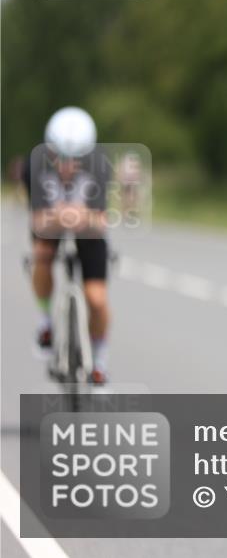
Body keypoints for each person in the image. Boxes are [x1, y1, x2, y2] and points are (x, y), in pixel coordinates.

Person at [24, 106, 112, 384]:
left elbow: (99, 223)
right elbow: (38, 222)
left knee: (96, 298)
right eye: (59, 157)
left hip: (86, 230)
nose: (67, 165)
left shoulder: (101, 166)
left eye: (77, 158)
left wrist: (70, 215)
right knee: (41, 253)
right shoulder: (34, 166)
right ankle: (46, 322)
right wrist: (66, 215)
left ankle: (99, 359)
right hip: (52, 226)